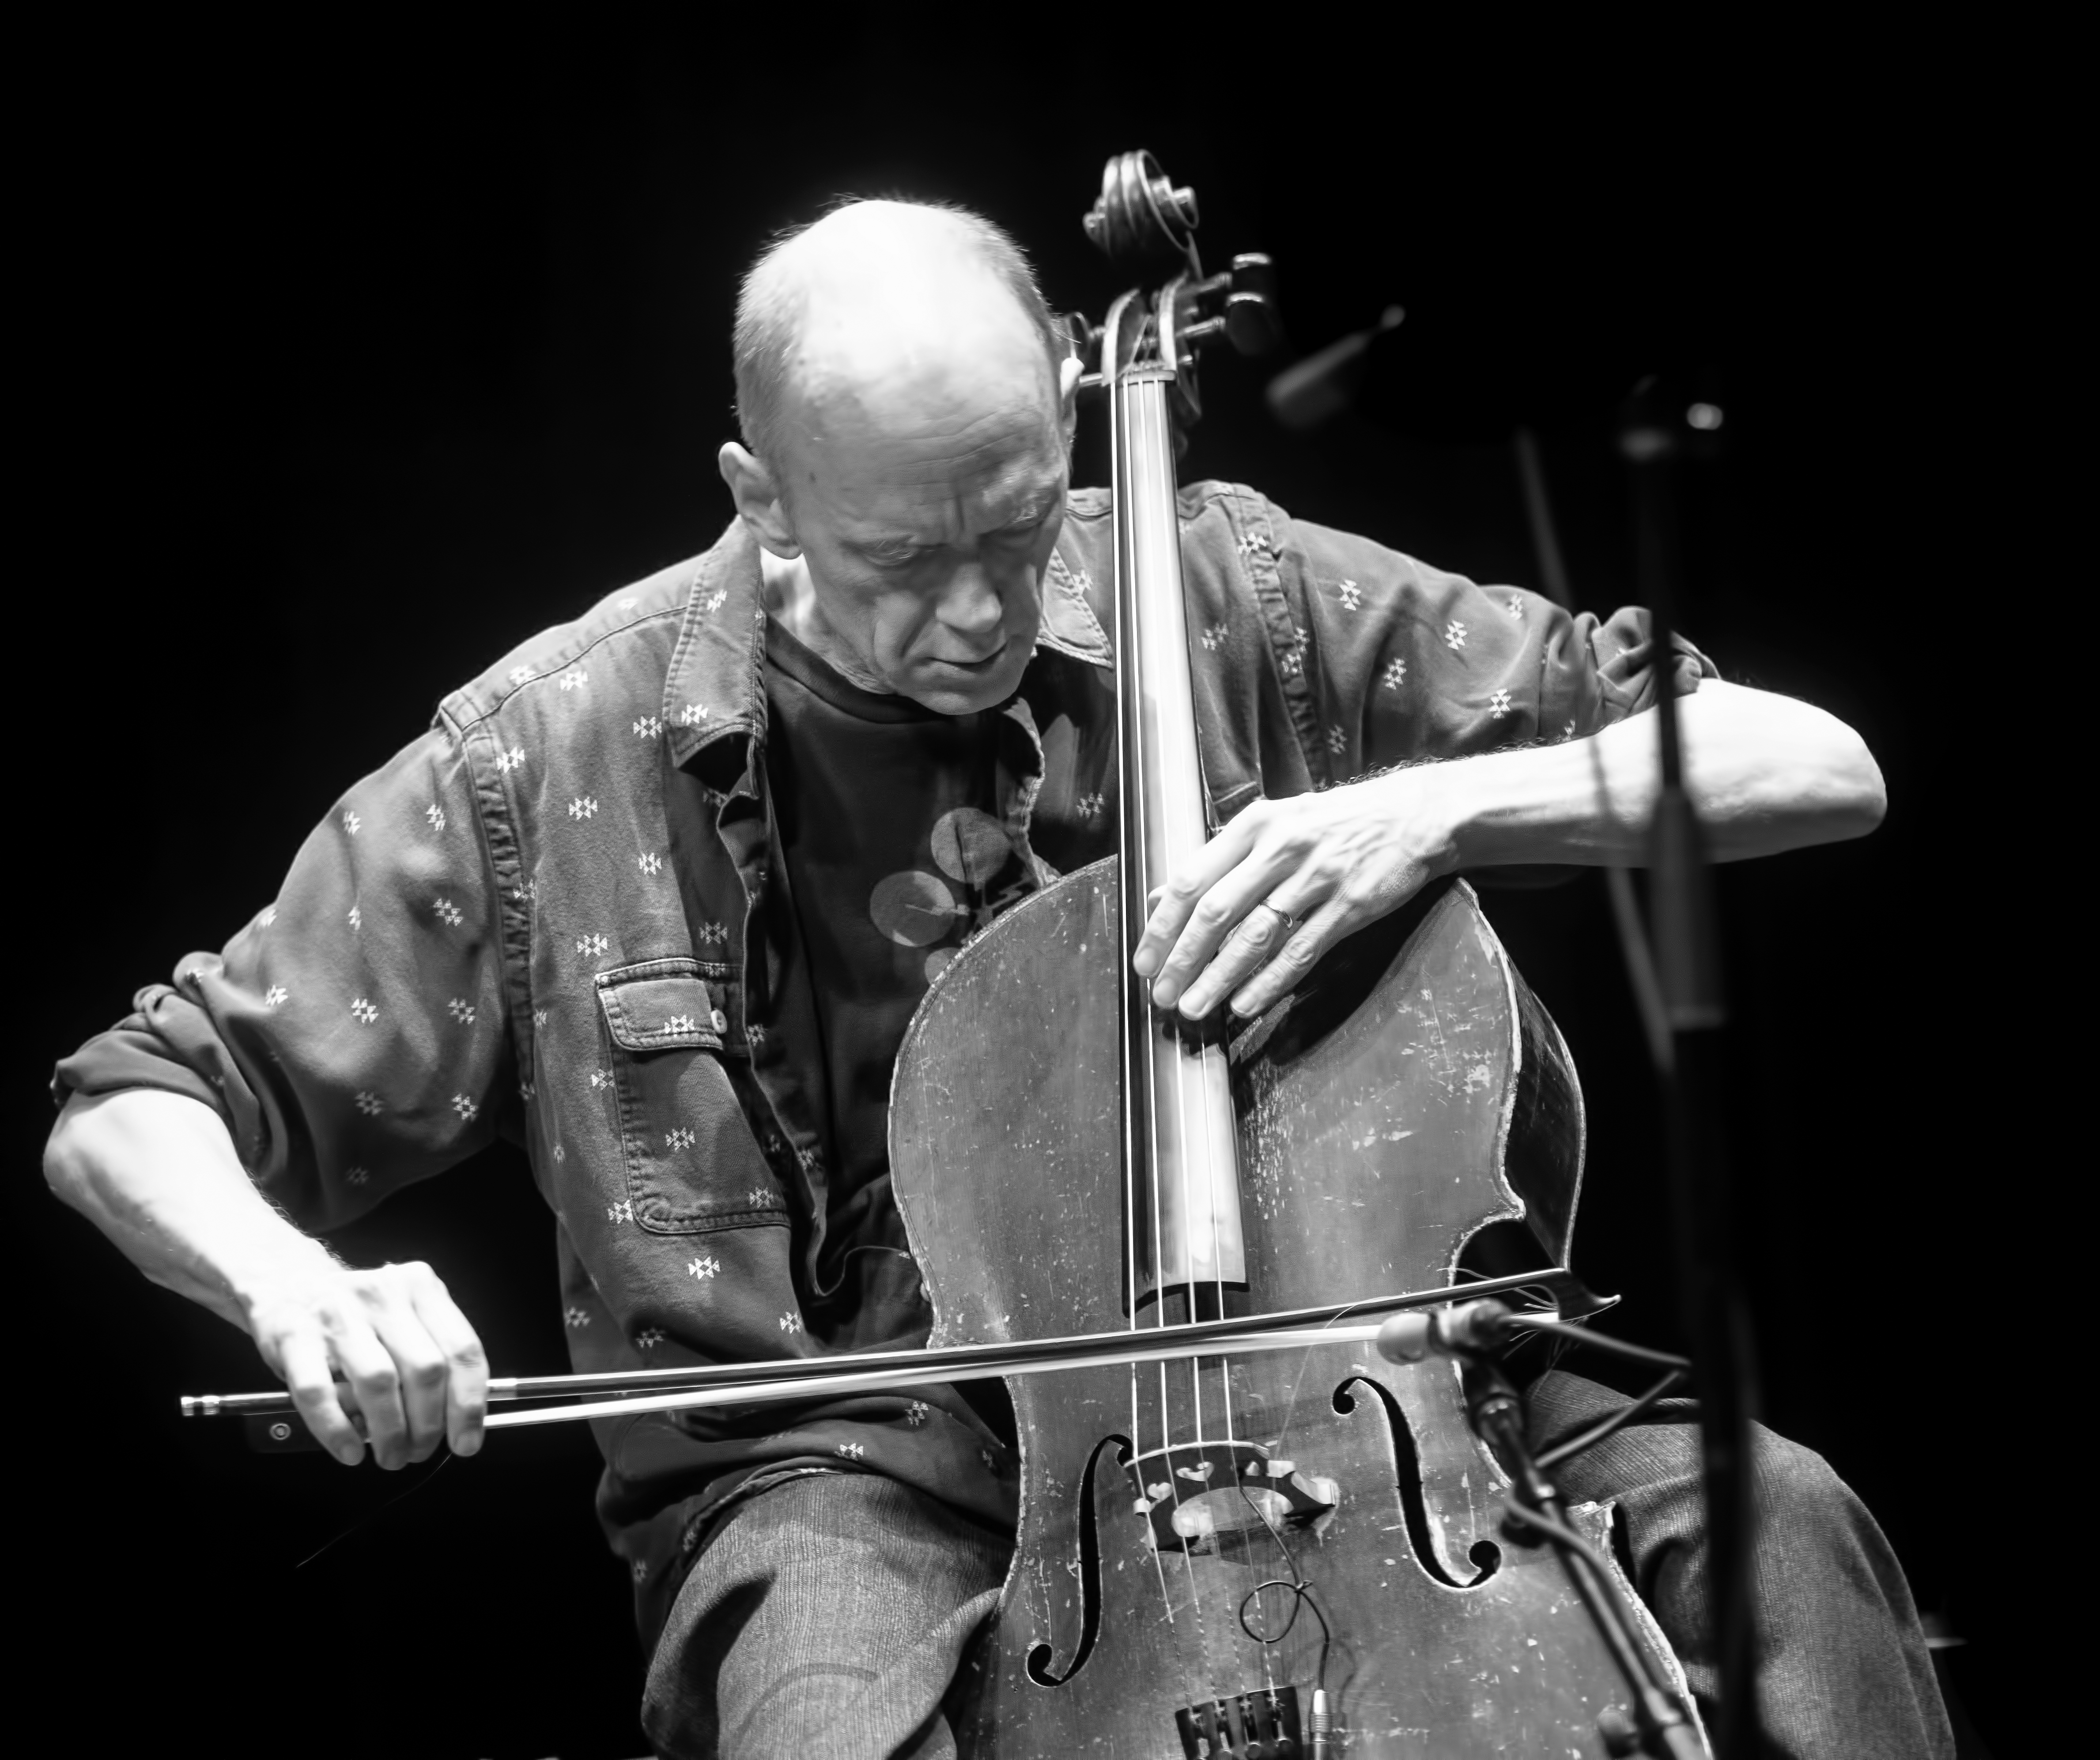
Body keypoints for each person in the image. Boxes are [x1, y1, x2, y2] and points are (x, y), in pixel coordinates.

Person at [43, 199, 1947, 1760]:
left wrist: (1431, 813)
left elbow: (1817, 764)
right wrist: (302, 1284)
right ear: (760, 496)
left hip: (1368, 1393)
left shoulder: (1232, 594)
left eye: (1018, 527)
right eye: (897, 559)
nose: (975, 611)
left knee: (1792, 1537)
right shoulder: (554, 749)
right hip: (848, 1470)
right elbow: (136, 1100)